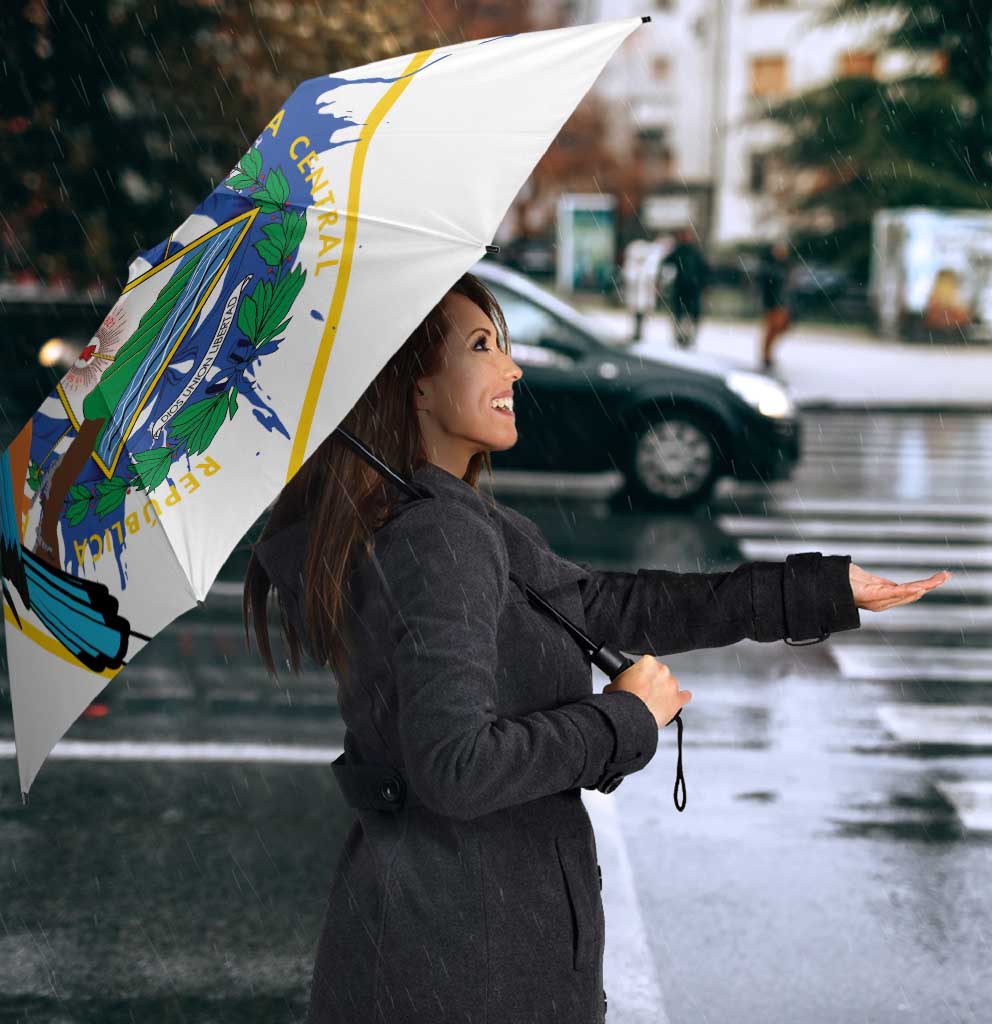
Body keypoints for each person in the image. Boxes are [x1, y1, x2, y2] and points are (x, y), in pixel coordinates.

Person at [243, 271, 945, 1024]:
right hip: (466, 963)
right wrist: (624, 719)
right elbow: (455, 768)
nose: (512, 368)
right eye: (482, 346)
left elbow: (608, 605)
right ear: (412, 385)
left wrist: (818, 591)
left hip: (450, 942)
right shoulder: (437, 536)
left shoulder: (445, 517)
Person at [660, 226, 710, 349]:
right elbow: (666, 264)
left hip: (691, 288)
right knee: (681, 314)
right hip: (683, 288)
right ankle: (681, 337)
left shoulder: (693, 252)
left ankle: (687, 337)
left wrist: (703, 284)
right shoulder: (680, 251)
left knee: (688, 315)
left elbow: (704, 270)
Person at [758, 239, 794, 371]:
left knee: (780, 328)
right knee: (772, 329)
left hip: (782, 303)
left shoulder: (785, 266)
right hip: (773, 303)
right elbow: (767, 286)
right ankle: (766, 355)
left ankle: (768, 354)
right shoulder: (770, 267)